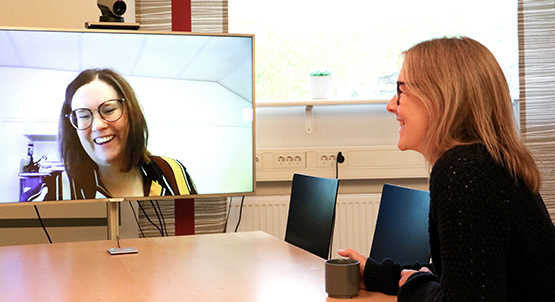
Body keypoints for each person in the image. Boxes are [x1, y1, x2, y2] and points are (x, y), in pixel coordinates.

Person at [338, 37, 555, 301]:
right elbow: (466, 274)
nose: (391, 105)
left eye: (401, 90)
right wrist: (378, 275)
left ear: (439, 98)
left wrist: (415, 286)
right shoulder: (489, 162)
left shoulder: (463, 172)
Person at [25, 68, 197, 201]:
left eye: (109, 110)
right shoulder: (55, 191)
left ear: (130, 113)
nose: (98, 125)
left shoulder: (172, 173)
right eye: (84, 116)